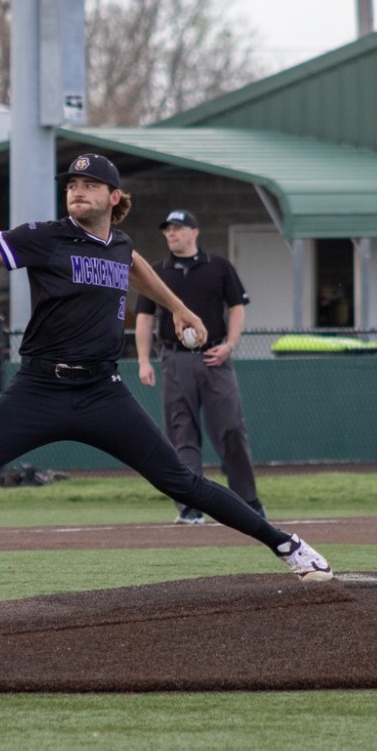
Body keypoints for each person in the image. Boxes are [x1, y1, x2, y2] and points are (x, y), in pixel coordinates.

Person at [0, 153, 333, 613]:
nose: (77, 191)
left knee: (181, 481)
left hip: (102, 393)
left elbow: (136, 268)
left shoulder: (120, 244)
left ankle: (287, 545)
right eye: (70, 185)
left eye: (88, 185)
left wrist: (178, 307)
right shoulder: (45, 238)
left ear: (114, 197)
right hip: (38, 390)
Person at [133, 209, 264, 525]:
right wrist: (142, 360)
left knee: (231, 428)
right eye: (168, 230)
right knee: (182, 433)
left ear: (194, 232)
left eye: (178, 228)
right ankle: (190, 505)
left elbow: (237, 308)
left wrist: (230, 345)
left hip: (215, 357)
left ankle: (247, 501)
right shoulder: (157, 271)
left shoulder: (218, 267)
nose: (171, 234)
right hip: (175, 358)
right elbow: (145, 317)